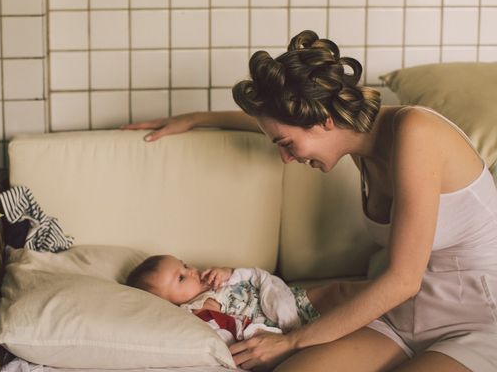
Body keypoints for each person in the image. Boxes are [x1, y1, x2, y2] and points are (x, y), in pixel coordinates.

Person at [121, 30, 497, 371]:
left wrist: (292, 340)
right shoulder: (356, 145)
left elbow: (402, 279)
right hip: (400, 318)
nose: (287, 158)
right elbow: (275, 124)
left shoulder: (417, 133)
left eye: (286, 146)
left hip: (476, 323)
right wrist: (195, 119)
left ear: (325, 121)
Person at [126, 254, 322, 346]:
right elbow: (233, 329)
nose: (192, 271)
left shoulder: (210, 280)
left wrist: (228, 272)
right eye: (181, 277)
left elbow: (244, 278)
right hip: (284, 322)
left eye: (185, 265)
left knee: (339, 291)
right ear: (169, 304)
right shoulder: (201, 308)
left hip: (290, 297)